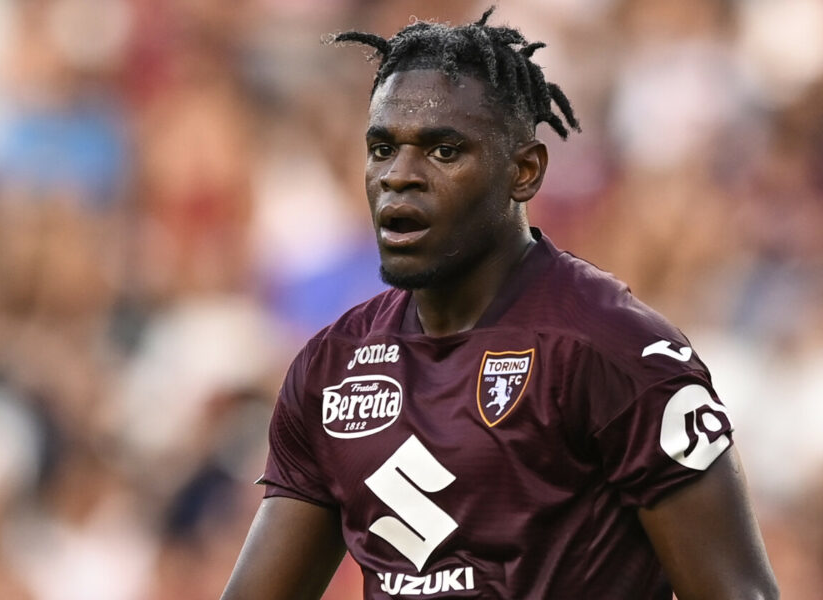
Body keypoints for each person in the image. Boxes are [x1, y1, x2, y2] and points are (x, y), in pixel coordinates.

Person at [221, 8, 778, 600]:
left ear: (525, 171)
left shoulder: (617, 351)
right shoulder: (331, 369)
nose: (398, 176)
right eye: (382, 148)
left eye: (443, 151)